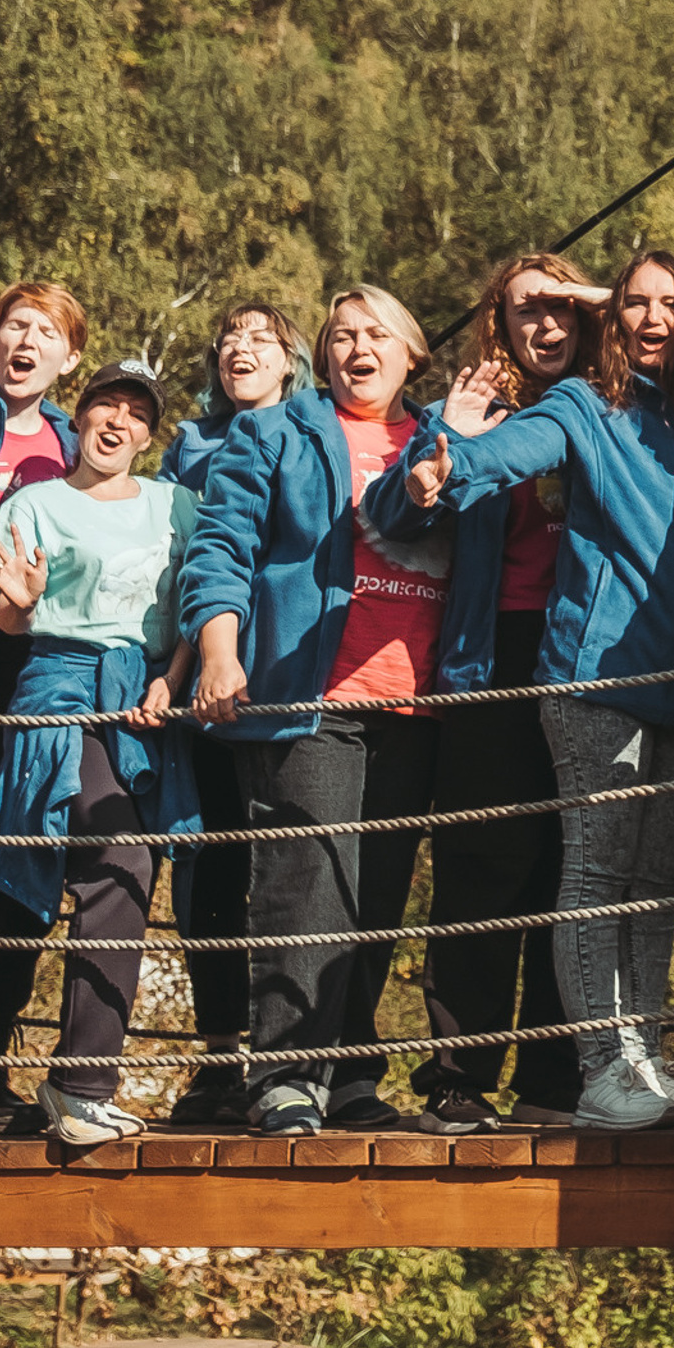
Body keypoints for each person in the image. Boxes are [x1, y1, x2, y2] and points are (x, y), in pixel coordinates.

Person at [391, 247, 674, 1133]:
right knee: (574, 870)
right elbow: (509, 452)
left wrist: (612, 296)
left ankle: (635, 1059)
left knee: (647, 884)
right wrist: (449, 463)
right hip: (580, 675)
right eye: (634, 306)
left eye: (665, 305)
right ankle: (581, 1068)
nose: (650, 319)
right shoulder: (580, 405)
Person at [179, 285, 483, 1136]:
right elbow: (221, 546)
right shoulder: (275, 430)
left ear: (411, 352)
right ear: (322, 357)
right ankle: (283, 1075)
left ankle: (349, 1075)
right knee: (305, 884)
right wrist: (217, 650)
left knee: (374, 895)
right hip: (307, 692)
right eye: (341, 334)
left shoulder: (444, 435)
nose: (357, 346)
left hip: (415, 701)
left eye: (376, 332)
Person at [381, 255, 608, 1134]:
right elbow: (397, 517)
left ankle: (554, 1080)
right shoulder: (471, 411)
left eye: (560, 309)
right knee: (481, 869)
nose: (545, 326)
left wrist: (606, 298)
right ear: (499, 328)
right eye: (525, 313)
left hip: (591, 656)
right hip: (491, 657)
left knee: (570, 867)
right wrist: (447, 429)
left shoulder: (615, 405)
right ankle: (458, 1076)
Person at [0, 360, 199, 1146]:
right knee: (78, 870)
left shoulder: (176, 505)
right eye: (104, 405)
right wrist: (18, 609)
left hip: (144, 700)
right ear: (82, 417)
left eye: (135, 413)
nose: (117, 421)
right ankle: (38, 1082)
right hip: (58, 688)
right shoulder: (37, 502)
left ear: (148, 434)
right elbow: (7, 618)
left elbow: (203, 602)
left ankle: (79, 1083)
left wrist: (176, 677)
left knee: (123, 870)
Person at [154, 301, 313, 1129]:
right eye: (227, 341)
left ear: (292, 362)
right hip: (208, 690)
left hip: (293, 680)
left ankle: (304, 1059)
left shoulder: (318, 434)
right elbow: (180, 562)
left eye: (260, 340)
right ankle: (221, 1059)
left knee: (293, 872)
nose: (238, 350)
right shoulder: (192, 447)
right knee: (211, 874)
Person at [0, 280, 86, 1135]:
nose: (25, 340)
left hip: (38, 684)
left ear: (69, 358)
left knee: (21, 875)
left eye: (46, 332)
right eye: (13, 326)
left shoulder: (79, 445)